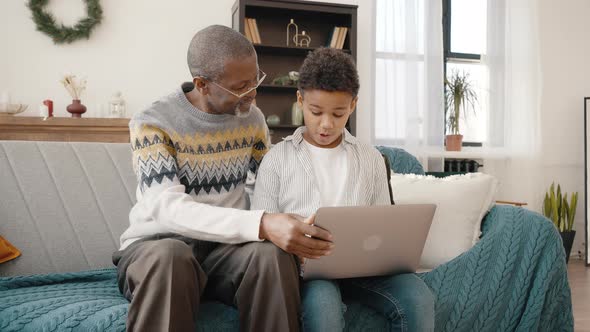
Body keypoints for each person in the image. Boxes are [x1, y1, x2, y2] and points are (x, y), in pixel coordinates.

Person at [112, 25, 333, 332]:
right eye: (241, 86)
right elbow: (166, 208)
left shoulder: (252, 119)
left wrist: (300, 219)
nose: (253, 93)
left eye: (256, 79)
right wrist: (262, 223)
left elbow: (269, 184)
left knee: (271, 255)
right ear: (202, 84)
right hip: (157, 249)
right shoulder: (152, 122)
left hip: (224, 252)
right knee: (172, 257)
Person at [252, 47, 435, 331]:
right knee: (323, 303)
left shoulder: (371, 158)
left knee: (418, 296)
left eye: (338, 114)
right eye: (315, 112)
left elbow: (385, 225)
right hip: (309, 273)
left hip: (366, 270)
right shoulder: (277, 159)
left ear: (353, 105)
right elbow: (261, 227)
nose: (326, 124)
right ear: (300, 101)